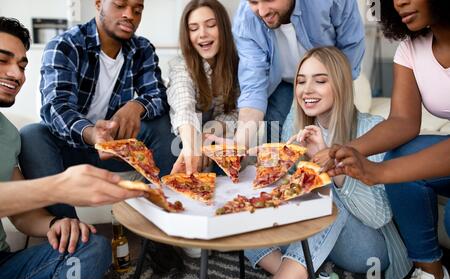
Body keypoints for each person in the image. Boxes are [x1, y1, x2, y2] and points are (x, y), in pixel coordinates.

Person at [244, 47, 412, 279]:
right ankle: (307, 278)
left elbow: (379, 217)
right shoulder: (296, 122)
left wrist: (332, 168)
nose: (307, 90)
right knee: (246, 216)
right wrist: (270, 171)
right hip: (317, 238)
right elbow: (291, 194)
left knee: (325, 202)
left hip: (368, 248)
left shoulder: (373, 129)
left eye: (320, 81)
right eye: (301, 82)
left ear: (340, 85)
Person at [0, 17, 144, 279]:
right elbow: (57, 109)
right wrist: (57, 187)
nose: (17, 74)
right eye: (2, 60)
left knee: (91, 246)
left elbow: (21, 214)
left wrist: (56, 223)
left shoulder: (7, 134)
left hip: (5, 265)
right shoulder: (67, 51)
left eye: (21, 65)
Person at [321, 0, 450, 279]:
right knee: (400, 156)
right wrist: (349, 149)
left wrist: (377, 172)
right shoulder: (411, 49)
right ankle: (431, 274)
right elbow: (403, 121)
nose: (398, 2)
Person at [18, 0, 177, 219]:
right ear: (99, 3)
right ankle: (68, 231)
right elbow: (56, 107)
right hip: (71, 148)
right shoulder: (65, 45)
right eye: (120, 5)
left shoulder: (142, 49)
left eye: (137, 10)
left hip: (113, 148)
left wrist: (136, 105)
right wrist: (92, 133)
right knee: (31, 135)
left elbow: (158, 94)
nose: (129, 15)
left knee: (162, 122)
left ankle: (167, 219)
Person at [232, 0, 365, 148]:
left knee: (339, 132)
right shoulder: (246, 18)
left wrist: (335, 89)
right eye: (254, 2)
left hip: (329, 77)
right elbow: (253, 87)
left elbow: (351, 46)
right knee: (276, 142)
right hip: (280, 82)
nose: (262, 12)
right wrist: (240, 145)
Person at [167, 0, 239, 175]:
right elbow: (184, 107)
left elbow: (237, 113)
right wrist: (194, 144)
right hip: (181, 137)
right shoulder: (180, 66)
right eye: (193, 28)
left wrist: (208, 134)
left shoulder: (239, 64)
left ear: (223, 28)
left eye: (211, 25)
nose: (202, 34)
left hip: (215, 135)